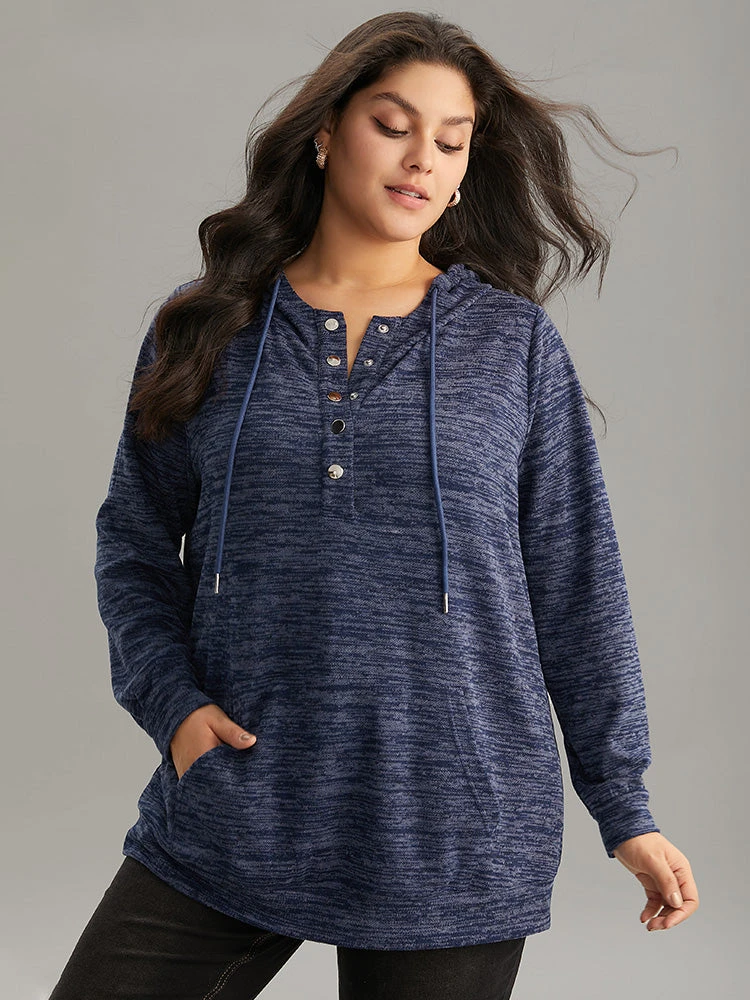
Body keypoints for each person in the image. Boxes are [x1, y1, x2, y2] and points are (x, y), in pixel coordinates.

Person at [49, 10, 699, 999]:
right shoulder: (207, 327)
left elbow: (578, 585)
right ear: (325, 131)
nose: (422, 159)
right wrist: (174, 707)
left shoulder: (513, 346)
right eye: (393, 125)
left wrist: (625, 806)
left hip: (457, 827)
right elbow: (134, 546)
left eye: (451, 140)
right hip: (240, 801)